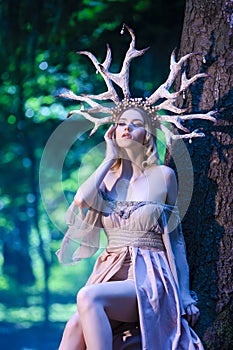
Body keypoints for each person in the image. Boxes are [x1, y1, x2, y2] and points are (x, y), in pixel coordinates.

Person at [56, 106, 204, 350]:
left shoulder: (164, 176)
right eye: (122, 123)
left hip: (149, 277)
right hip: (109, 273)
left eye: (136, 124)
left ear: (148, 134)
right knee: (73, 328)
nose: (127, 127)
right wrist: (109, 158)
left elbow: (176, 241)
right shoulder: (105, 179)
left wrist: (185, 293)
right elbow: (81, 200)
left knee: (87, 297)